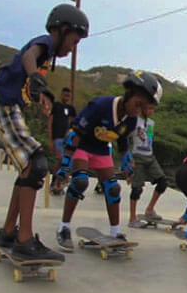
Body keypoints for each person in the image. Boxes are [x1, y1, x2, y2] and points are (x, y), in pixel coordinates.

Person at [0, 4, 89, 261]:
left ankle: (9, 231)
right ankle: (25, 240)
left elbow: (33, 76)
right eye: (74, 41)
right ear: (62, 30)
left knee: (30, 167)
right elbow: (28, 56)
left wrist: (42, 94)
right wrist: (33, 75)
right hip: (0, 102)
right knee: (36, 163)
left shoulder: (47, 57)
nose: (72, 48)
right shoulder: (44, 44)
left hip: (10, 106)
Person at [53, 70, 162, 248]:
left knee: (113, 188)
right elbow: (75, 134)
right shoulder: (101, 105)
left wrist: (127, 162)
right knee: (80, 182)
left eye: (143, 108)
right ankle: (63, 227)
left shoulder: (132, 120)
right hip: (82, 145)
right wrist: (66, 164)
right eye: (138, 104)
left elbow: (123, 142)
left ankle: (115, 232)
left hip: (101, 150)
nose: (138, 110)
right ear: (129, 93)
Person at [122, 108, 169, 227]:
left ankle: (150, 209)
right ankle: (132, 219)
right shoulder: (134, 121)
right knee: (137, 188)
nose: (151, 111)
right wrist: (128, 162)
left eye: (153, 108)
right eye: (149, 108)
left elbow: (149, 140)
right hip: (137, 157)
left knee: (162, 182)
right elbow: (125, 139)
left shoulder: (151, 123)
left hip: (150, 156)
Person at [48, 87, 77, 195]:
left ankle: (60, 182)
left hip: (67, 139)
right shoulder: (56, 106)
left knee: (66, 160)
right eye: (65, 95)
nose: (66, 97)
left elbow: (74, 122)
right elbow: (50, 121)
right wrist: (50, 138)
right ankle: (54, 181)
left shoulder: (70, 108)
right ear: (61, 95)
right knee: (59, 159)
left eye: (68, 96)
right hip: (57, 137)